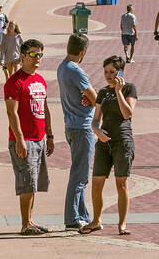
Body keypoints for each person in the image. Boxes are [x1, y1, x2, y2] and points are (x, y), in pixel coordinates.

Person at [79, 56, 138, 236]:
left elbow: (127, 113)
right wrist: (97, 131)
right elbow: (95, 120)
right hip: (104, 143)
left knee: (121, 183)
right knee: (97, 183)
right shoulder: (103, 92)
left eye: (112, 72)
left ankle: (122, 224)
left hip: (123, 141)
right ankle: (96, 221)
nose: (108, 75)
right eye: (106, 72)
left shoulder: (129, 88)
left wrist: (119, 91)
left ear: (120, 72)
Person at [4, 39, 54, 235]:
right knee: (26, 181)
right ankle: (25, 224)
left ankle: (31, 221)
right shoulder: (14, 81)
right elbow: (11, 113)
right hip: (24, 140)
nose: (37, 58)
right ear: (23, 55)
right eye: (33, 54)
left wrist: (49, 135)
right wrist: (19, 139)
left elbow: (45, 108)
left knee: (34, 183)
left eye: (40, 54)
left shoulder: (40, 80)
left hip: (40, 138)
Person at [57, 33, 98, 230]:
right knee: (80, 175)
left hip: (71, 125)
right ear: (82, 51)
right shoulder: (75, 70)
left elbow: (83, 95)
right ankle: (72, 217)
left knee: (79, 172)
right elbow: (94, 97)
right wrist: (91, 99)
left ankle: (82, 214)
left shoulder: (62, 67)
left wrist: (86, 98)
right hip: (82, 126)